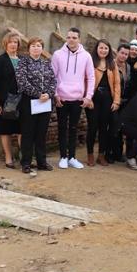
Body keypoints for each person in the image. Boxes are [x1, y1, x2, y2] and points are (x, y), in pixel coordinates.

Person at [52, 27, 94, 170]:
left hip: (77, 98)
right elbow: (53, 76)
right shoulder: (57, 55)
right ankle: (63, 157)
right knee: (62, 128)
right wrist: (56, 94)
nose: (71, 40)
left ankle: (72, 157)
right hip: (62, 98)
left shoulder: (86, 56)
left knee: (74, 128)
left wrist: (88, 97)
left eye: (74, 37)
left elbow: (91, 77)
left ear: (79, 39)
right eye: (69, 37)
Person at [15, 37, 56, 173]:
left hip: (45, 102)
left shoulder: (46, 64)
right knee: (28, 133)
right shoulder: (23, 62)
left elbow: (53, 82)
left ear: (42, 49)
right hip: (29, 101)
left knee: (41, 133)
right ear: (29, 49)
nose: (36, 48)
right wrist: (38, 94)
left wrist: (48, 94)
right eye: (33, 46)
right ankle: (26, 163)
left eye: (38, 45)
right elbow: (22, 81)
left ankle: (41, 162)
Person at [84, 39, 121, 167]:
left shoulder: (112, 64)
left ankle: (101, 155)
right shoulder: (90, 62)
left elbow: (117, 84)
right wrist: (87, 99)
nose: (103, 50)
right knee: (92, 127)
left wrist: (116, 101)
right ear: (97, 49)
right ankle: (90, 154)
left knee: (104, 128)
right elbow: (85, 80)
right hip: (93, 98)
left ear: (109, 50)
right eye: (101, 48)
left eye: (106, 48)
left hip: (107, 99)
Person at [0, 32, 22, 168]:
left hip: (21, 100)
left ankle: (24, 157)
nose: (13, 45)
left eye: (15, 42)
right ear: (5, 43)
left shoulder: (23, 60)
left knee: (22, 130)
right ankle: (8, 157)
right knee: (5, 130)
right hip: (5, 101)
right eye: (10, 42)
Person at [107, 43, 131, 163]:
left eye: (126, 54)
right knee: (113, 127)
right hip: (113, 101)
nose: (124, 56)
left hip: (124, 102)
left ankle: (118, 153)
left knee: (121, 128)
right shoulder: (110, 65)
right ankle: (109, 153)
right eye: (122, 53)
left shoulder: (128, 67)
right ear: (117, 52)